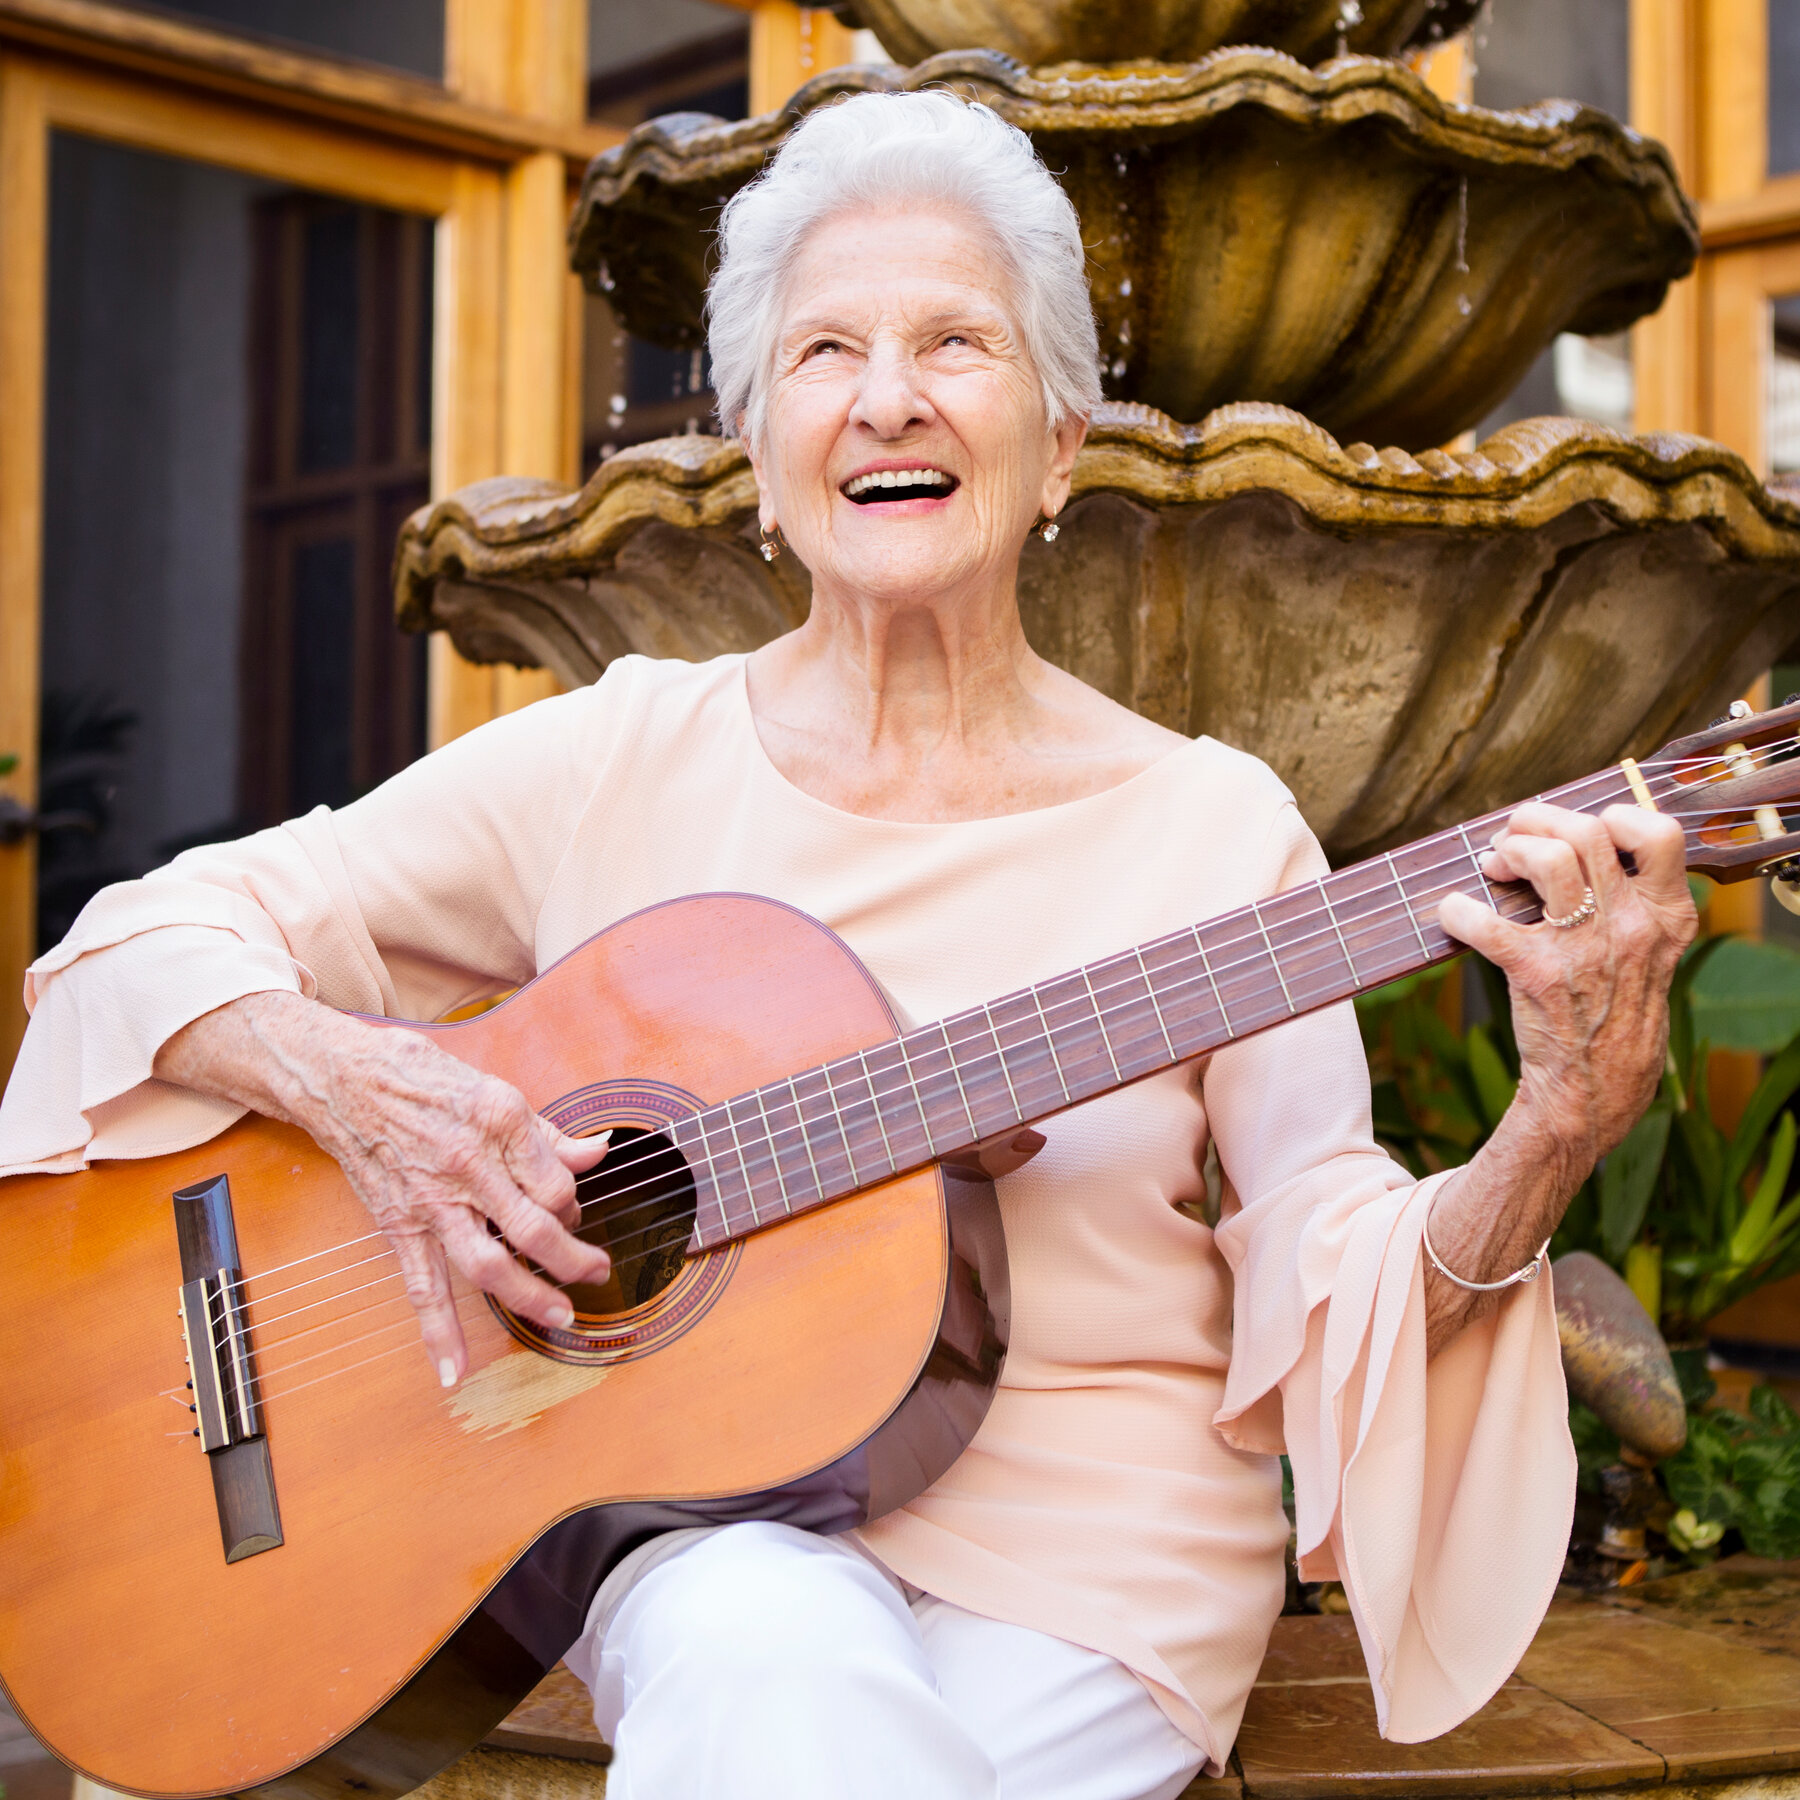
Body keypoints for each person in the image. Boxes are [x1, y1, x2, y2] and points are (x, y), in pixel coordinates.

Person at [0, 91, 1694, 1800]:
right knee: (755, 1642)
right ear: (752, 452)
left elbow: (1335, 1272)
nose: (889, 395)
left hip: (1088, 1579)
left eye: (957, 341)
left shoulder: (1212, 827)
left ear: (1063, 444)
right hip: (705, 1538)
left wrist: (1554, 1126)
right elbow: (145, 939)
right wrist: (368, 1094)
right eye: (826, 351)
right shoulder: (618, 756)